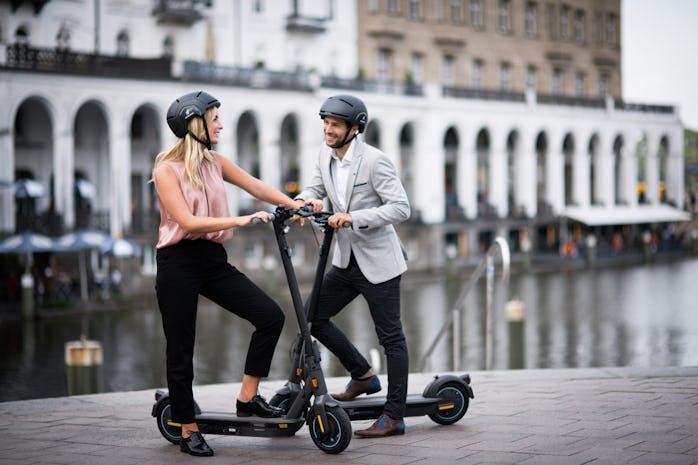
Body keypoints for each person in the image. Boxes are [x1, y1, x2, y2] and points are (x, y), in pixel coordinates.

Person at [153, 90, 308, 457]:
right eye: (215, 117)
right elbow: (188, 222)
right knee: (181, 349)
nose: (221, 124)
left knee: (270, 316)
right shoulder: (165, 170)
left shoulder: (215, 162)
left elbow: (255, 185)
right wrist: (241, 218)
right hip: (177, 263)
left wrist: (295, 202)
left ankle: (248, 397)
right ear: (195, 123)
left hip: (212, 259)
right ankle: (187, 426)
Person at [296, 94, 411, 438]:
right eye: (326, 123)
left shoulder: (376, 162)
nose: (327, 130)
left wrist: (352, 217)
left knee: (391, 338)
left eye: (335, 125)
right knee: (312, 318)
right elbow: (316, 186)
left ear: (354, 128)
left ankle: (394, 416)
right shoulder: (324, 155)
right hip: (345, 261)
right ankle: (362, 374)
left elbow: (401, 208)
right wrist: (303, 200)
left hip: (379, 264)